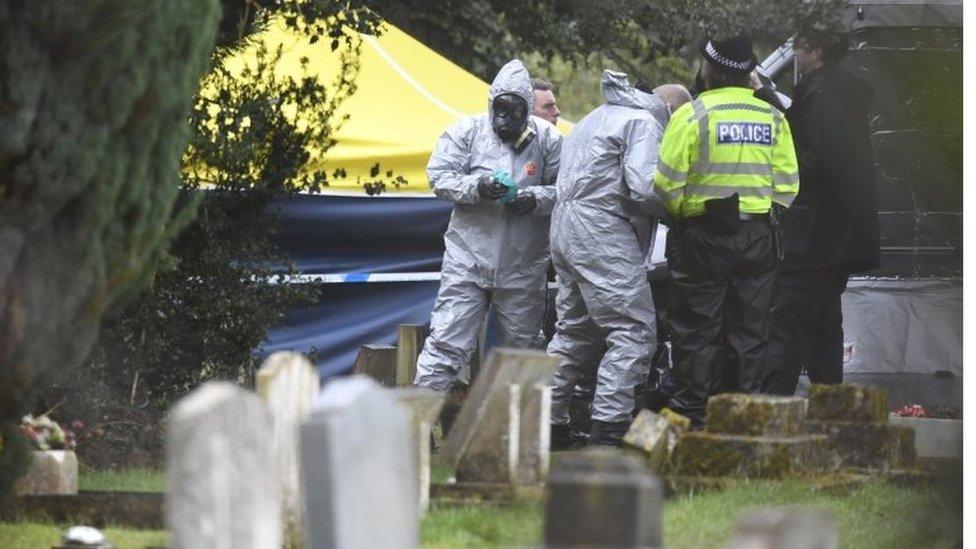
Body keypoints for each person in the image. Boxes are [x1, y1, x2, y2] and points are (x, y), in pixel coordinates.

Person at [652, 34, 800, 429]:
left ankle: (693, 419)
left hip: (702, 236)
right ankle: (740, 420)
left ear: (709, 69)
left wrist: (688, 213)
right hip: (757, 238)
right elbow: (787, 186)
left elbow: (666, 184)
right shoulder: (773, 117)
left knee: (696, 330)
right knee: (750, 331)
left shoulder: (692, 115)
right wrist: (760, 210)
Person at [547, 69, 691, 447]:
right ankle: (609, 429)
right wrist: (683, 209)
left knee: (574, 332)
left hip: (565, 231)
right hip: (603, 233)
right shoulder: (643, 122)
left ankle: (546, 422)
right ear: (670, 108)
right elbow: (645, 186)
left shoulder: (595, 117)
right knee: (633, 331)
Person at [413, 59, 563, 394]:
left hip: (522, 264)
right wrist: (477, 187)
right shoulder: (465, 133)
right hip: (468, 259)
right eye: (500, 110)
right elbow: (438, 177)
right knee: (446, 344)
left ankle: (517, 435)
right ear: (490, 103)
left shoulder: (550, 141)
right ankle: (416, 428)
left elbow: (567, 190)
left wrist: (531, 199)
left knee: (522, 354)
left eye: (515, 112)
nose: (505, 120)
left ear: (527, 110)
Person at [761, 28, 880, 394]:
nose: (795, 55)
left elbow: (820, 156)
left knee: (790, 323)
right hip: (832, 236)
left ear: (816, 51)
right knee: (823, 323)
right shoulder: (834, 92)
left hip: (813, 235)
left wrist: (777, 166)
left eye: (799, 47)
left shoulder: (826, 95)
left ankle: (773, 412)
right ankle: (832, 411)